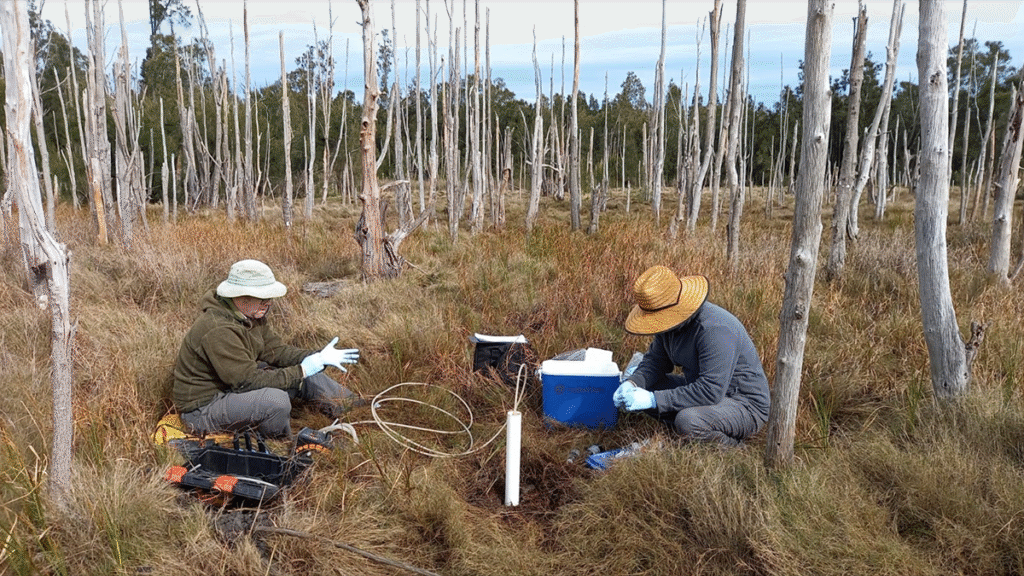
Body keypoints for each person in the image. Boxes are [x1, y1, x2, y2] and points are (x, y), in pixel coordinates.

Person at [173, 259, 361, 439]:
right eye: (262, 297)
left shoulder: (251, 315)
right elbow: (246, 381)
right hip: (203, 409)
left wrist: (318, 357)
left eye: (269, 297)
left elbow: (277, 351)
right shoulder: (217, 329)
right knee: (276, 401)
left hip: (230, 389)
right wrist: (302, 370)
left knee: (311, 374)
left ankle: (359, 411)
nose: (268, 302)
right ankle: (279, 445)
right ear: (239, 296)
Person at [613, 265, 770, 447]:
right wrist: (632, 383)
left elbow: (710, 391)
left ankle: (734, 449)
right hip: (705, 392)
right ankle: (693, 432)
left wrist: (653, 400)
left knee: (688, 421)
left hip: (743, 403)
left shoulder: (715, 330)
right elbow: (655, 362)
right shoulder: (669, 328)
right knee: (648, 384)